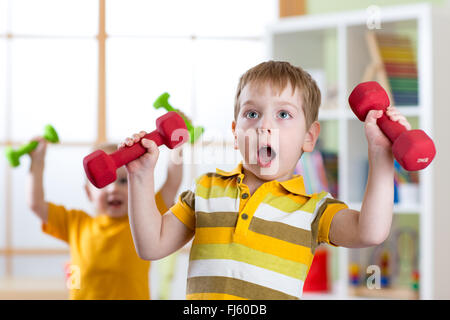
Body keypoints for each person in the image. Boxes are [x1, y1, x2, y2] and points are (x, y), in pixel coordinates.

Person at [120, 61, 411, 300]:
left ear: (309, 137)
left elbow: (370, 231)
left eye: (283, 114)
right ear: (236, 133)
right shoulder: (206, 189)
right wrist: (141, 177)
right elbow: (151, 246)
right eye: (252, 113)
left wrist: (381, 155)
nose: (264, 126)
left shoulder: (313, 210)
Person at [26, 141, 183, 299]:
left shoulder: (144, 219)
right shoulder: (76, 223)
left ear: (137, 186)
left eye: (123, 181)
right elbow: (36, 204)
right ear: (88, 192)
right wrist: (37, 163)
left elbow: (173, 182)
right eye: (105, 182)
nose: (113, 189)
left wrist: (177, 141)